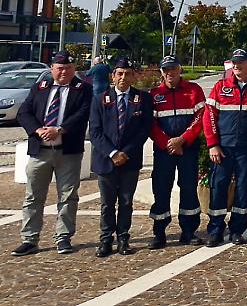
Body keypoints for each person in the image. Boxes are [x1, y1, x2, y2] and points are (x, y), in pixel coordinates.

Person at [12, 51, 92, 257]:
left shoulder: (83, 89)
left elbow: (83, 114)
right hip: (40, 150)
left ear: (74, 69)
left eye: (68, 68)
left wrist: (60, 129)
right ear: (52, 69)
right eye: (59, 68)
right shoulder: (40, 88)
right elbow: (24, 113)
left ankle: (63, 237)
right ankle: (29, 239)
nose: (64, 72)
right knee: (33, 196)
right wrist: (38, 130)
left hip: (68, 151)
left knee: (68, 197)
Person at [89, 57, 154, 257]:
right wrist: (113, 153)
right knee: (107, 203)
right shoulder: (100, 99)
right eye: (119, 74)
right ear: (112, 76)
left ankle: (123, 238)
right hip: (106, 160)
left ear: (133, 76)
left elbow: (144, 130)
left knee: (126, 202)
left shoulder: (142, 99)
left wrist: (125, 152)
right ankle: (106, 239)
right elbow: (95, 132)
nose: (123, 78)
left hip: (129, 160)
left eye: (127, 73)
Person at [203, 48, 247, 246]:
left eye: (241, 62)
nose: (236, 66)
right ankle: (215, 229)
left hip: (246, 147)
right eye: (234, 62)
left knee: (243, 187)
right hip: (223, 147)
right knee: (219, 186)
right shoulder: (220, 87)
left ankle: (238, 229)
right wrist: (213, 144)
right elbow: (210, 116)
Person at [147, 55, 206, 248]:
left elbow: (200, 118)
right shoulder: (154, 94)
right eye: (166, 70)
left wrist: (183, 139)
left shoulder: (193, 90)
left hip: (188, 149)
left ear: (180, 69)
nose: (170, 73)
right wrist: (168, 143)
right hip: (164, 151)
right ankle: (159, 232)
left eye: (173, 69)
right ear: (162, 72)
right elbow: (151, 125)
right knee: (161, 189)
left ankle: (189, 230)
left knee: (189, 188)